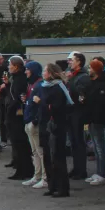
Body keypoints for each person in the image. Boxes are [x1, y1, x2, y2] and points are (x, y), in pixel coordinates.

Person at [36, 63, 72, 198]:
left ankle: (62, 188)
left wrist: (40, 103)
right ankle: (52, 185)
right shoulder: (45, 86)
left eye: (45, 71)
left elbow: (57, 108)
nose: (43, 73)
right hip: (45, 125)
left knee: (58, 158)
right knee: (47, 157)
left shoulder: (57, 88)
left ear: (51, 73)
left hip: (56, 126)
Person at [6, 56, 33, 181]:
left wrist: (11, 108)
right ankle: (22, 168)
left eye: (10, 64)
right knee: (17, 143)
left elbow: (18, 97)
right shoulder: (15, 79)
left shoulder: (20, 79)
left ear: (16, 66)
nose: (8, 67)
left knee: (20, 143)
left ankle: (24, 169)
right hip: (14, 113)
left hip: (17, 114)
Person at [85, 58, 105, 186]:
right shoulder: (91, 83)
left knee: (100, 148)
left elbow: (100, 105)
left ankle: (102, 174)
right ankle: (98, 172)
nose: (88, 70)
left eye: (90, 68)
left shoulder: (102, 86)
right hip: (91, 119)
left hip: (98, 120)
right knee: (96, 147)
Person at [22, 61, 47, 189]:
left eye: (27, 69)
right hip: (28, 121)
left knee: (40, 151)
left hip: (33, 122)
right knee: (35, 151)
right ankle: (37, 176)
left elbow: (41, 104)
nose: (25, 71)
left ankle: (45, 177)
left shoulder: (39, 85)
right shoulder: (31, 84)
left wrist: (35, 120)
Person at [65, 52, 90, 181]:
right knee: (73, 142)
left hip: (78, 113)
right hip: (71, 112)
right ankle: (76, 168)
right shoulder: (73, 75)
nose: (69, 62)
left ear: (79, 61)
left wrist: (69, 81)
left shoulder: (83, 76)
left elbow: (80, 95)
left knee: (79, 142)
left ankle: (81, 170)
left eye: (71, 60)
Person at [0, 52, 9, 147]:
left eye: (1, 59)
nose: (0, 61)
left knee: (5, 118)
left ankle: (4, 139)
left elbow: (9, 79)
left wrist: (4, 85)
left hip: (6, 95)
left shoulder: (6, 68)